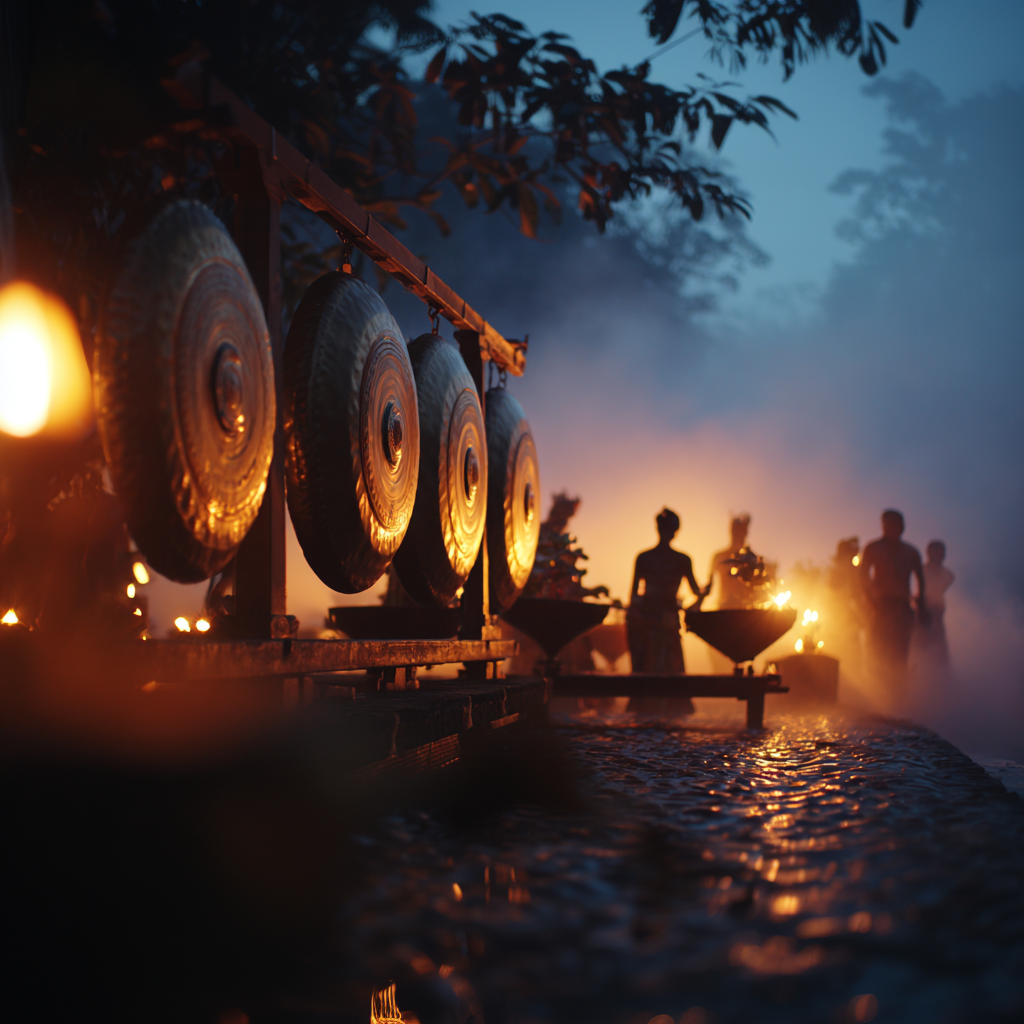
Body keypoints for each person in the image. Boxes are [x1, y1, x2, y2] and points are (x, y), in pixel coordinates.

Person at [627, 508, 704, 673]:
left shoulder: (647, 558)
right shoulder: (678, 559)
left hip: (664, 624)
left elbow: (633, 597)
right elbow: (698, 594)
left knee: (666, 673)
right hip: (650, 625)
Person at [860, 509, 928, 692]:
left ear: (903, 526)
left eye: (898, 524)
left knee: (900, 653)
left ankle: (899, 693)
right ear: (883, 525)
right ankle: (878, 694)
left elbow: (920, 579)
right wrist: (871, 604)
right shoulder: (873, 548)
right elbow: (862, 578)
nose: (895, 528)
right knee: (878, 651)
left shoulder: (910, 552)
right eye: (890, 524)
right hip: (880, 606)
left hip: (902, 607)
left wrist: (921, 607)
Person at [915, 540, 954, 668]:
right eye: (937, 553)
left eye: (942, 553)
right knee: (921, 654)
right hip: (922, 618)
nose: (940, 556)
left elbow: (949, 579)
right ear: (929, 554)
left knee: (939, 658)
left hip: (937, 620)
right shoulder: (921, 571)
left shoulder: (948, 575)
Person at [709, 514, 753, 610]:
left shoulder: (751, 559)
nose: (740, 535)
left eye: (742, 531)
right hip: (724, 608)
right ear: (731, 531)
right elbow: (709, 586)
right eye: (737, 531)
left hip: (745, 610)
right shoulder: (719, 557)